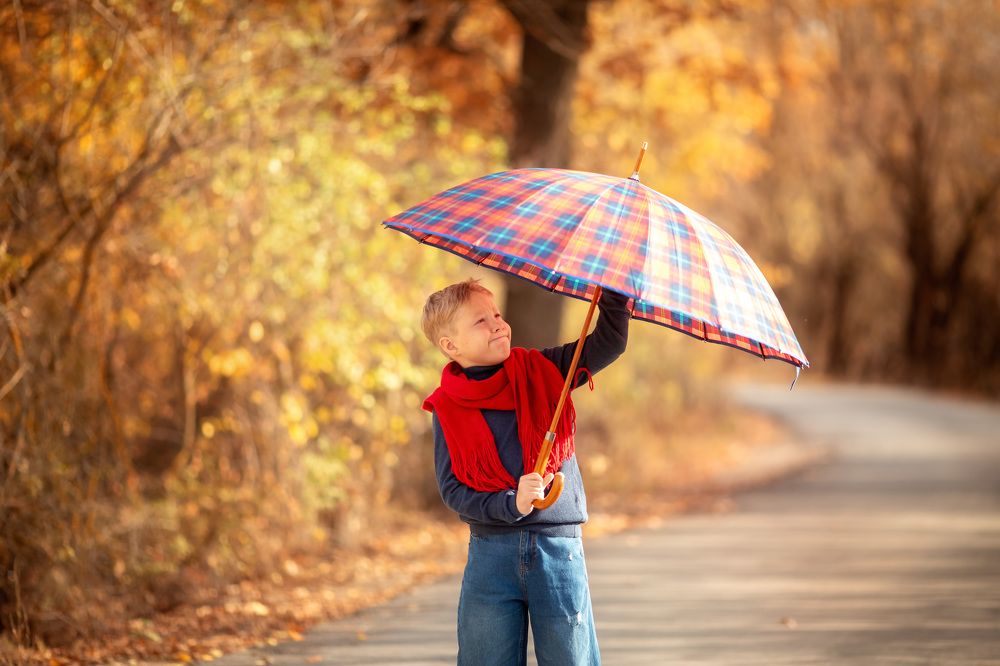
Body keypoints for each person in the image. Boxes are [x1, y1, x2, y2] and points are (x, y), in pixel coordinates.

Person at [421, 278, 629, 666]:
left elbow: (610, 343)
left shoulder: (545, 370)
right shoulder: (447, 406)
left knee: (570, 658)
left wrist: (613, 287)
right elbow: (453, 489)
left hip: (557, 550)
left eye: (497, 314)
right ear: (451, 346)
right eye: (481, 321)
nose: (498, 325)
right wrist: (510, 504)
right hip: (490, 555)